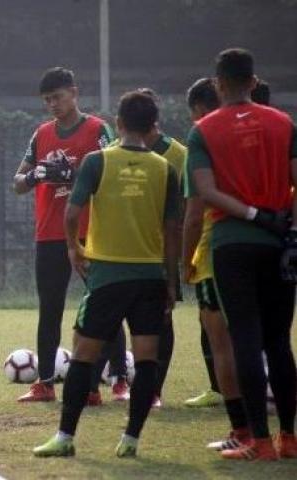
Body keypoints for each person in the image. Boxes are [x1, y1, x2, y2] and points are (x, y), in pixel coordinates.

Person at [33, 91, 179, 458]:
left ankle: (65, 437)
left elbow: (70, 213)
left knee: (83, 354)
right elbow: (173, 229)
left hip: (108, 276)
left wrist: (72, 248)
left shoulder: (98, 161)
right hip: (150, 277)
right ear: (152, 126)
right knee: (145, 359)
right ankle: (130, 439)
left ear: (119, 122)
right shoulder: (166, 169)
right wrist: (171, 280)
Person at [190, 48, 297, 461]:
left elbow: (207, 190)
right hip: (278, 245)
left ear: (218, 84)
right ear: (254, 82)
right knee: (279, 342)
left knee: (246, 340)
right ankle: (289, 436)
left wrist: (252, 213)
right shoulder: (283, 123)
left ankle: (260, 441)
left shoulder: (205, 129)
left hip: (232, 243)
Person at [12, 67, 114, 403]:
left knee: (103, 305)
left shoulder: (98, 130)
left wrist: (77, 173)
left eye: (57, 97)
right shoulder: (41, 134)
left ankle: (111, 382)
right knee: (50, 308)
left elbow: (112, 174)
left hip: (91, 233)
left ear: (74, 92)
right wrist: (38, 175)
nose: (52, 104)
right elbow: (17, 183)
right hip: (49, 235)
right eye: (47, 100)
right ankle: (44, 383)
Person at [182, 77, 252, 452]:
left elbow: (194, 214)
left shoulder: (204, 138)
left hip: (217, 252)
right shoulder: (266, 131)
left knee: (223, 344)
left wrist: (183, 262)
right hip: (268, 245)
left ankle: (242, 431)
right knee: (264, 340)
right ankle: (282, 433)